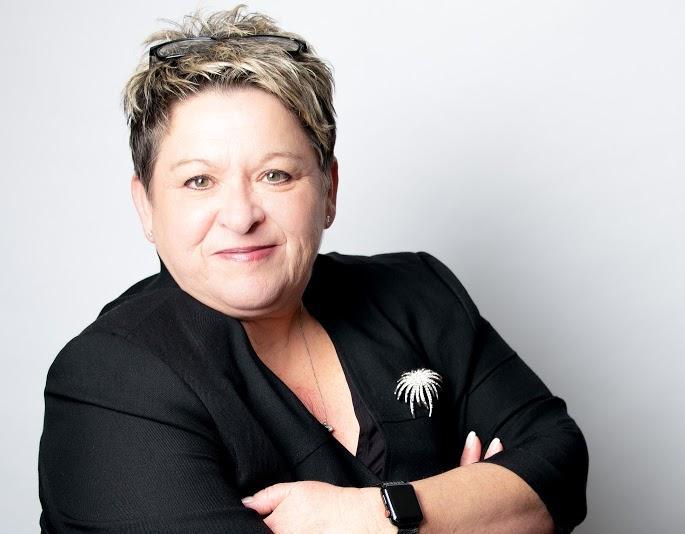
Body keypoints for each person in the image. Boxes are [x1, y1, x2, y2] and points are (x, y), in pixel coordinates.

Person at [38, 5, 588, 533]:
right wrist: (469, 510)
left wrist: (380, 516)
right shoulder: (109, 381)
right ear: (146, 207)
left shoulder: (417, 293)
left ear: (329, 190)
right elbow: (524, 500)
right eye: (199, 181)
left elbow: (559, 468)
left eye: (275, 175)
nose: (241, 216)